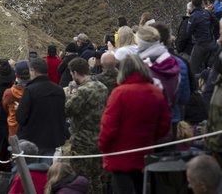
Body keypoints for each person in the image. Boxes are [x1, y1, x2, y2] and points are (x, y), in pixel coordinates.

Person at [98, 54, 171, 194]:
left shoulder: (119, 93)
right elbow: (164, 125)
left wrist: (103, 146)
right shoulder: (156, 92)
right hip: (144, 154)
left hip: (119, 156)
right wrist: (151, 140)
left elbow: (109, 126)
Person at [64, 58, 108, 194]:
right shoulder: (102, 87)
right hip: (99, 137)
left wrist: (66, 96)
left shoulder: (82, 91)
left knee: (82, 178)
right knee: (97, 177)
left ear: (76, 73)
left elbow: (67, 110)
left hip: (82, 141)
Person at [16, 58, 66, 162]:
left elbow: (21, 117)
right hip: (52, 137)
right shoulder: (58, 90)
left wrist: (19, 108)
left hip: (32, 138)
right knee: (46, 170)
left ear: (33, 71)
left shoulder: (30, 90)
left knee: (31, 171)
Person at [187, 0, 216, 74]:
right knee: (210, 66)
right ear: (202, 3)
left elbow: (188, 31)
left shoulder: (193, 16)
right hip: (211, 43)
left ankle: (198, 84)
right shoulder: (207, 13)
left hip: (200, 45)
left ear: (192, 4)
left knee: (192, 68)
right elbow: (215, 22)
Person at [2, 60, 30, 137]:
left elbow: (5, 108)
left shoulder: (9, 93)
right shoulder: (35, 90)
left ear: (16, 75)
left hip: (15, 129)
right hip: (32, 128)